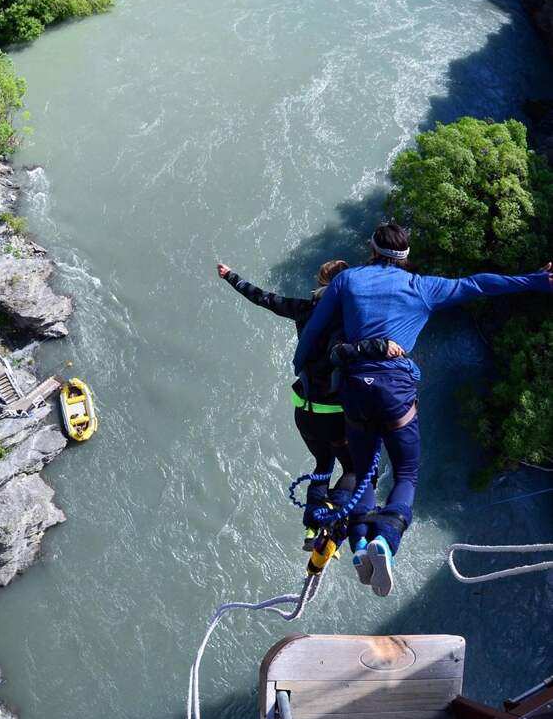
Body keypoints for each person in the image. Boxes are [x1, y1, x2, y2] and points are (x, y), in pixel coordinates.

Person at [293, 222, 553, 596]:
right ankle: (386, 543)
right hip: (395, 391)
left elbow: (315, 330)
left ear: (371, 251)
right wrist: (535, 280)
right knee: (406, 474)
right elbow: (479, 284)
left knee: (364, 471)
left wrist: (302, 371)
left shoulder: (346, 281)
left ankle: (362, 547)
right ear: (406, 257)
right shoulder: (423, 287)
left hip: (354, 390)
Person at [217, 261, 403, 548]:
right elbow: (344, 353)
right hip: (335, 416)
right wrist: (380, 347)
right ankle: (333, 520)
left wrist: (231, 276)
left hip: (303, 411)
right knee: (356, 471)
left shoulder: (303, 309)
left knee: (322, 464)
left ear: (319, 282)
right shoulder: (348, 321)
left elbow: (263, 298)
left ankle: (312, 528)